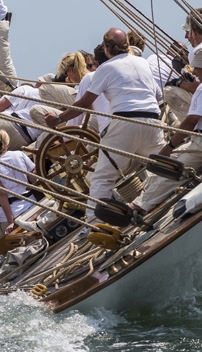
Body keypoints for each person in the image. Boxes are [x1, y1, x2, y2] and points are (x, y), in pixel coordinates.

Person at [44, 28, 166, 224]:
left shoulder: (105, 69)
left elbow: (83, 104)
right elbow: (159, 96)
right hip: (153, 121)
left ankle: (95, 226)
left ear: (108, 49)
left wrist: (58, 120)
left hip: (125, 124)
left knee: (102, 179)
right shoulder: (143, 63)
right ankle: (148, 203)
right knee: (162, 167)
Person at [132, 51, 202, 213]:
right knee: (162, 165)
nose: (195, 73)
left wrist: (169, 146)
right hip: (198, 140)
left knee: (173, 171)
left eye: (197, 69)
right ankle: (142, 198)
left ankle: (140, 206)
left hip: (200, 143)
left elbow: (191, 121)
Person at [0, 129, 36, 235]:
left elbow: (2, 194)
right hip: (32, 204)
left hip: (14, 212)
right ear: (8, 143)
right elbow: (35, 181)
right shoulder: (19, 154)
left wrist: (10, 222)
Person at [164, 10, 202, 124]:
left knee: (169, 91)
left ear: (194, 32)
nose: (186, 36)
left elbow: (196, 87)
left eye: (188, 32)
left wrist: (178, 82)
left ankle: (192, 128)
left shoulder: (196, 52)